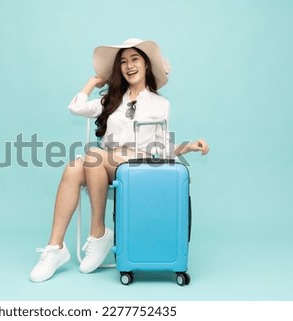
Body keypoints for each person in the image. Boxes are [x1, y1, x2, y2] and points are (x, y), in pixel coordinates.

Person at [29, 38, 209, 283]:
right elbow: (76, 108)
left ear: (146, 65)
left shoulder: (160, 103)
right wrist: (93, 82)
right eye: (123, 62)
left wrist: (188, 147)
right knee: (73, 168)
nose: (129, 65)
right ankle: (55, 248)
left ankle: (98, 233)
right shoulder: (111, 99)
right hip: (103, 168)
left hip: (136, 169)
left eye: (135, 59)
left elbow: (163, 146)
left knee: (92, 155)